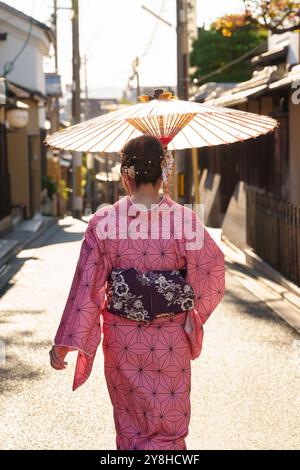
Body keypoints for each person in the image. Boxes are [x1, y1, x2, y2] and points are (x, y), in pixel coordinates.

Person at [49, 135, 225, 450]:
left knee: (131, 432)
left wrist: (66, 342)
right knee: (170, 433)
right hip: (171, 342)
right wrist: (188, 315)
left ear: (125, 174)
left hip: (123, 343)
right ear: (164, 170)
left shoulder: (104, 221)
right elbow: (212, 274)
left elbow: (86, 286)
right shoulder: (185, 221)